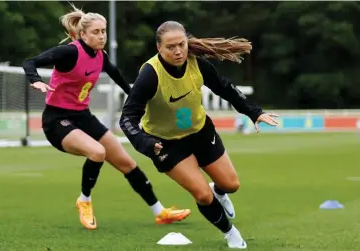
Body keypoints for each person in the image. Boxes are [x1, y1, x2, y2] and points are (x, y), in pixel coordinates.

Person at [22, 6, 190, 230]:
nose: (101, 36)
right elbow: (30, 62)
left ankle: (160, 212)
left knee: (127, 163)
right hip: (57, 120)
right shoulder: (69, 52)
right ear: (83, 34)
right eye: (96, 32)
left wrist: (141, 100)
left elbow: (119, 78)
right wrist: (35, 80)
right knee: (97, 152)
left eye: (104, 31)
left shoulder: (101, 56)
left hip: (83, 117)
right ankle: (84, 200)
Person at [119, 21, 279, 249]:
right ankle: (231, 233)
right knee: (203, 195)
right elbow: (127, 118)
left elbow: (224, 87)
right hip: (166, 144)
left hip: (201, 132)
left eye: (181, 45)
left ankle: (219, 192)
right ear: (159, 48)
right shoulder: (150, 74)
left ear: (187, 43)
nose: (177, 51)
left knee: (231, 184)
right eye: (170, 47)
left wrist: (254, 112)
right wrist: (145, 142)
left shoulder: (197, 63)